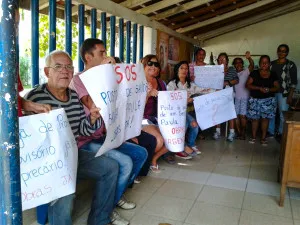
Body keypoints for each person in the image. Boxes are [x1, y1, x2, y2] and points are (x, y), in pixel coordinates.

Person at [25, 50, 118, 225]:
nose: (65, 71)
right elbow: (31, 143)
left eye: (69, 67)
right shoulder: (35, 98)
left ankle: (99, 219)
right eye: (58, 66)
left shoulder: (74, 96)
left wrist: (92, 119)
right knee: (65, 192)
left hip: (74, 155)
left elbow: (83, 129)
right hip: (50, 164)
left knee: (111, 167)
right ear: (47, 72)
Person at [69, 38, 148, 225]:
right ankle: (103, 214)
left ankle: (113, 197)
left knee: (139, 153)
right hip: (86, 140)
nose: (106, 56)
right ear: (88, 57)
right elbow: (93, 103)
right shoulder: (78, 79)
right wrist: (104, 73)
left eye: (106, 52)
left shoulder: (108, 77)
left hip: (105, 135)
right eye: (101, 53)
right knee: (125, 162)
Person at [167, 61, 212, 155]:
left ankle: (190, 145)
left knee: (195, 125)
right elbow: (169, 100)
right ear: (177, 70)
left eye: (186, 68)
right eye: (181, 68)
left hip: (185, 112)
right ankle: (180, 148)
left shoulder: (190, 85)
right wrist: (185, 100)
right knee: (186, 124)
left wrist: (216, 91)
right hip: (174, 113)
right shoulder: (172, 84)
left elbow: (203, 90)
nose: (184, 70)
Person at [141, 54, 176, 172]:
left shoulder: (161, 83)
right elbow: (135, 108)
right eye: (150, 63)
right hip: (142, 119)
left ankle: (153, 158)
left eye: (156, 64)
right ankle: (146, 161)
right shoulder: (137, 83)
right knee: (159, 140)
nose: (153, 66)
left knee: (175, 137)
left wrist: (180, 100)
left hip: (159, 118)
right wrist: (148, 94)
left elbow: (167, 102)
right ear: (144, 65)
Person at [246, 55, 280, 145]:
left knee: (265, 119)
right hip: (255, 100)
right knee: (255, 119)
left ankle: (263, 138)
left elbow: (277, 87)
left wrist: (269, 89)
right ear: (259, 63)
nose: (264, 64)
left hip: (268, 100)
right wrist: (258, 88)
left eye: (266, 62)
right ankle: (253, 137)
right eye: (262, 62)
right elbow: (247, 85)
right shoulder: (254, 73)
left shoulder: (273, 74)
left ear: (269, 64)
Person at [268, 44, 298, 139]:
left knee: (282, 114)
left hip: (284, 93)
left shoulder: (291, 64)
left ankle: (281, 132)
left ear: (287, 53)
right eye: (280, 51)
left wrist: (290, 95)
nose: (281, 53)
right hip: (272, 92)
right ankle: (270, 131)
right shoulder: (271, 64)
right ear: (277, 51)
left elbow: (294, 82)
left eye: (284, 51)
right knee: (271, 113)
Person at [213, 52, 239, 142]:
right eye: (219, 59)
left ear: (227, 61)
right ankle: (217, 131)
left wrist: (227, 82)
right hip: (218, 93)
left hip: (229, 93)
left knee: (230, 112)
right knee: (218, 112)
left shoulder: (232, 69)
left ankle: (232, 132)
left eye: (223, 59)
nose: (221, 61)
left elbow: (237, 80)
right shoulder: (215, 70)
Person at [232, 51, 254, 140]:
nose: (238, 64)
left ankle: (243, 133)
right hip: (236, 98)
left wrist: (249, 58)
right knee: (236, 116)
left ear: (242, 63)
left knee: (242, 116)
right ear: (234, 65)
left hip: (244, 97)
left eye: (240, 62)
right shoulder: (233, 74)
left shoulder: (246, 72)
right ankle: (239, 133)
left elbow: (252, 65)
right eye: (236, 63)